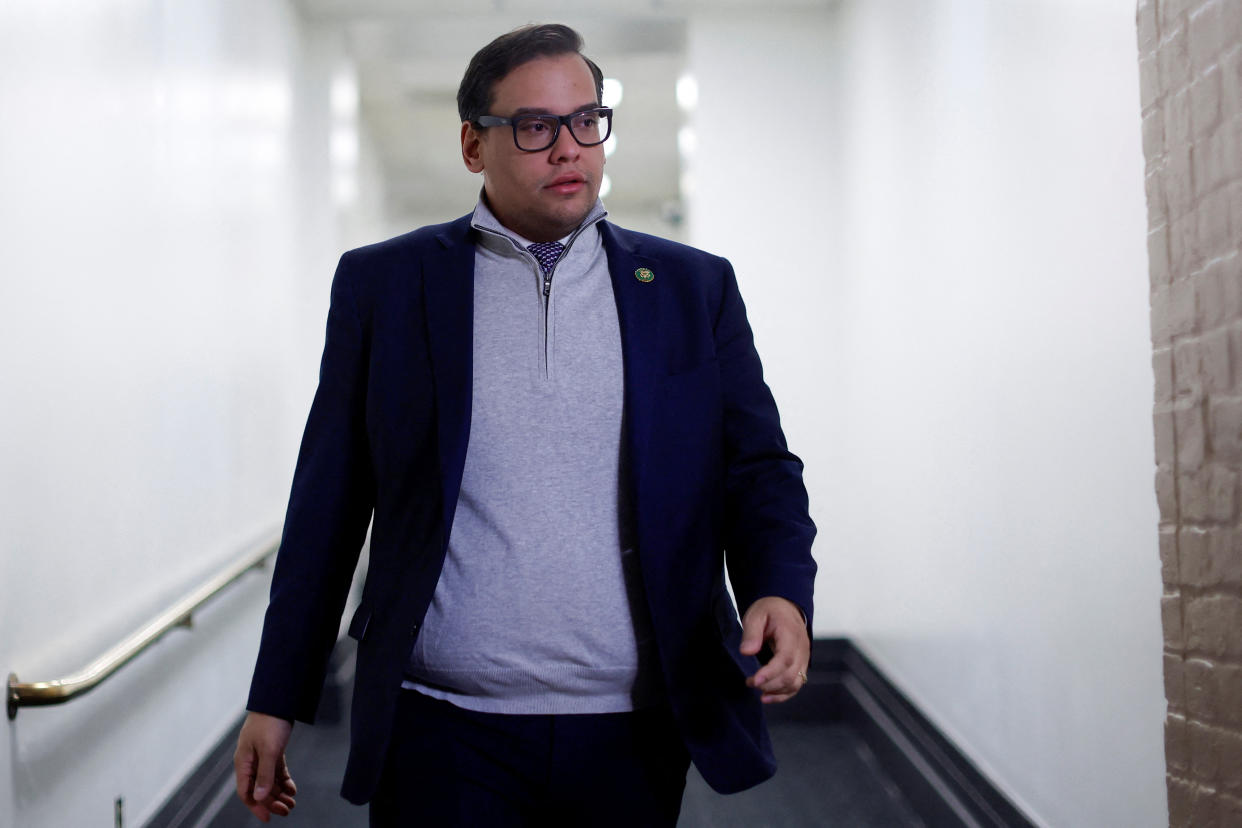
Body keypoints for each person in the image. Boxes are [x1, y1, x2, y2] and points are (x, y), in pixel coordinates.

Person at [233, 22, 816, 827]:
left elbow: (756, 468)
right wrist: (277, 696)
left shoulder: (689, 289)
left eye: (587, 121)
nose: (569, 148)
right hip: (440, 725)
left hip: (633, 724)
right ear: (475, 144)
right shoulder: (387, 287)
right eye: (537, 127)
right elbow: (329, 501)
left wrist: (779, 588)